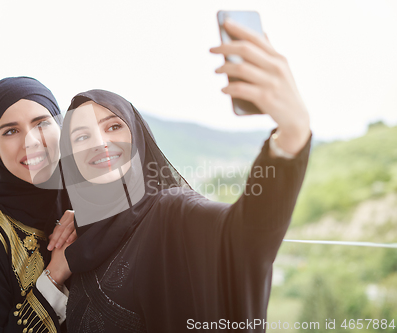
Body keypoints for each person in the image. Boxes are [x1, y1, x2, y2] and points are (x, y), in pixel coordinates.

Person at [52, 20, 312, 332]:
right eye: (81, 137)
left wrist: (291, 134)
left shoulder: (170, 212)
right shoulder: (79, 237)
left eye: (114, 126)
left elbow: (246, 236)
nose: (100, 142)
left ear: (137, 136)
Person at [0, 77, 76, 333]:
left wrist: (91, 219)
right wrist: (55, 274)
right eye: (11, 131)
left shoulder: (89, 196)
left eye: (42, 123)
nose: (31, 141)